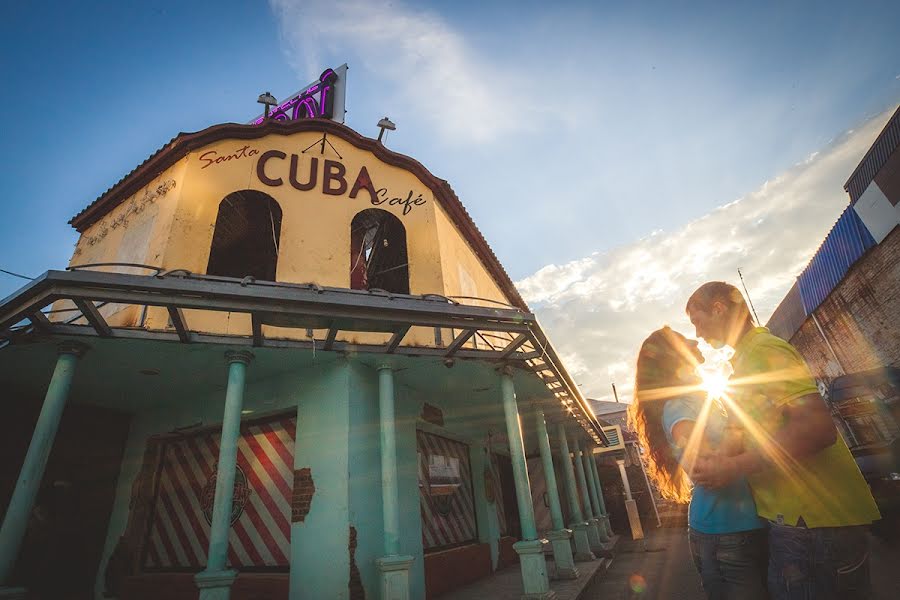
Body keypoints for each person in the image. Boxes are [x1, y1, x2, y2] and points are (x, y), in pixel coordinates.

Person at [686, 281, 880, 600]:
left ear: (719, 308)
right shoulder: (743, 365)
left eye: (697, 320)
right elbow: (753, 429)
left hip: (813, 524)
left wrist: (734, 466)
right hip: (802, 523)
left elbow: (817, 428)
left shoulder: (764, 350)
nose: (698, 334)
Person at [628, 326, 768, 600]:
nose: (694, 340)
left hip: (743, 526)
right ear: (673, 358)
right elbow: (703, 468)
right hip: (725, 533)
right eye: (683, 340)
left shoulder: (699, 398)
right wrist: (738, 423)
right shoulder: (679, 407)